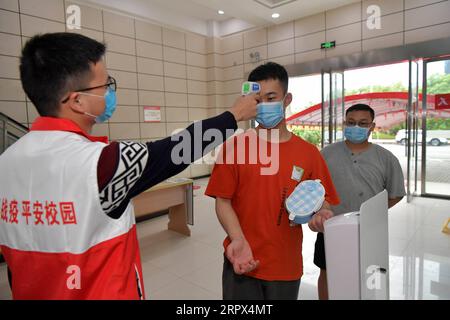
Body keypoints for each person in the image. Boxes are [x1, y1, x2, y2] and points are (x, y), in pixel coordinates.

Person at [0, 32, 258, 300]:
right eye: (104, 85)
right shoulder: (103, 164)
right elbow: (177, 149)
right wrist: (234, 115)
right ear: (77, 100)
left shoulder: (6, 161)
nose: (109, 93)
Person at [205, 62, 340, 300]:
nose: (264, 106)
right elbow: (222, 201)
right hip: (241, 260)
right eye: (258, 100)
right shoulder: (234, 147)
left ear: (287, 99)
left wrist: (320, 216)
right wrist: (238, 239)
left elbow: (323, 200)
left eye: (271, 97)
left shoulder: (308, 153)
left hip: (285, 265)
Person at [311, 103, 406, 300]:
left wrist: (372, 213)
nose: (356, 127)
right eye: (351, 122)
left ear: (372, 126)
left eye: (363, 123)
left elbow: (396, 193)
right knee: (328, 272)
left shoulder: (386, 158)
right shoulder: (327, 154)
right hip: (330, 228)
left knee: (369, 274)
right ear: (344, 124)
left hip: (369, 230)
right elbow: (315, 188)